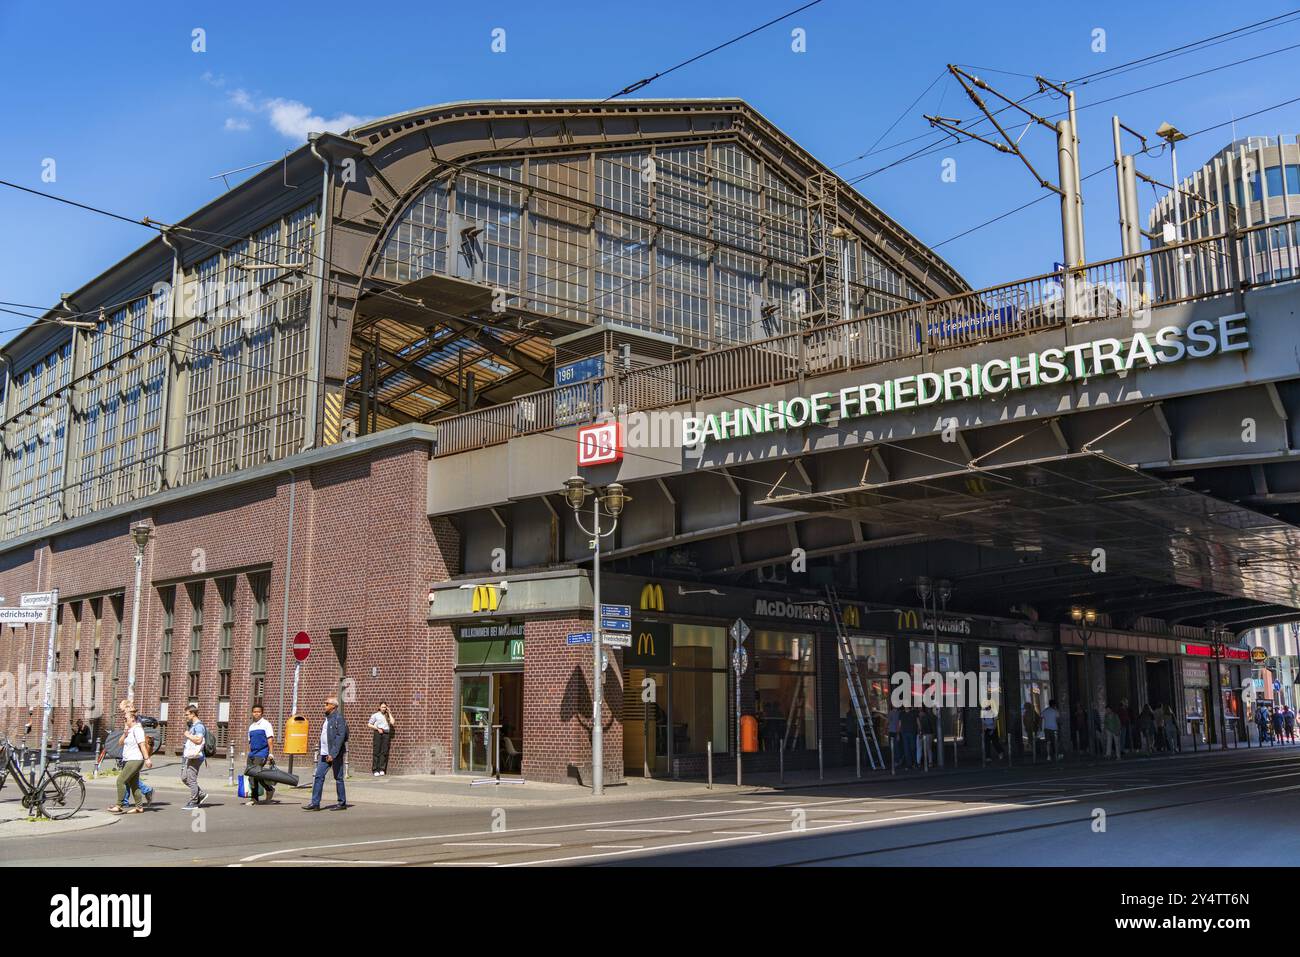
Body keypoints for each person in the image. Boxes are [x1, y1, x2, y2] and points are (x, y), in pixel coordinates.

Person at [305, 696, 349, 811]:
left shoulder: (338, 718)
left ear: (333, 706)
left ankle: (342, 802)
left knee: (338, 777)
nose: (324, 705)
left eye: (327, 703)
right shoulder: (327, 718)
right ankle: (315, 803)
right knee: (319, 776)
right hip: (324, 753)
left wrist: (333, 753)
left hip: (334, 753)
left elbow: (341, 736)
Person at [109, 709, 150, 814]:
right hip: (129, 760)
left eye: (125, 718)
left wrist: (147, 759)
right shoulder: (130, 730)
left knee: (120, 781)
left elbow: (142, 745)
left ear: (132, 718)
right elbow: (120, 743)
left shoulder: (138, 729)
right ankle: (139, 807)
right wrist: (125, 733)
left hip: (135, 759)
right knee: (134, 784)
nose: (124, 719)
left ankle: (119, 805)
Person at [244, 705, 276, 805]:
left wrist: (271, 754)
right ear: (252, 713)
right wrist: (249, 754)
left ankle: (264, 792)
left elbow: (270, 739)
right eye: (254, 712)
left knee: (256, 774)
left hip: (262, 753)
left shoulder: (266, 724)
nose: (256, 713)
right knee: (251, 775)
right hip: (252, 754)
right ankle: (259, 796)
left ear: (262, 713)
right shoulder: (251, 727)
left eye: (258, 712)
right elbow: (250, 742)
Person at [180, 705, 208, 810]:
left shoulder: (199, 726)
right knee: (184, 778)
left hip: (196, 757)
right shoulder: (193, 725)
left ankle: (194, 802)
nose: (185, 716)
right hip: (190, 756)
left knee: (191, 779)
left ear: (193, 714)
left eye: (187, 714)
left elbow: (199, 740)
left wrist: (188, 735)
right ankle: (200, 794)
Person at [368, 702, 393, 776]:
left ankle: (382, 769)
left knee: (384, 752)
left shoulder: (387, 715)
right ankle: (375, 769)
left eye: (385, 707)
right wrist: (377, 728)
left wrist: (389, 713)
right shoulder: (375, 715)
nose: (384, 708)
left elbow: (392, 722)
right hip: (378, 733)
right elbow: (369, 724)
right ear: (379, 707)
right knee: (376, 751)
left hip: (386, 733)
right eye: (382, 707)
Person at [897, 704, 918, 770]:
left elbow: (918, 722)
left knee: (913, 748)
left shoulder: (914, 713)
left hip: (912, 732)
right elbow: (899, 724)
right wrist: (898, 733)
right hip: (904, 733)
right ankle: (909, 764)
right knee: (906, 749)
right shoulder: (901, 713)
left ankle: (914, 763)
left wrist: (920, 730)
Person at [886, 703, 901, 768]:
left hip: (893, 731)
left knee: (894, 747)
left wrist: (885, 729)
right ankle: (896, 760)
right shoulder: (899, 713)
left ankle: (896, 761)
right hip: (895, 731)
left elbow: (887, 722)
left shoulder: (891, 713)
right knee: (896, 747)